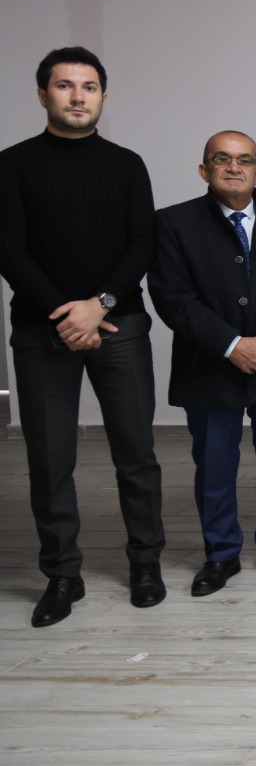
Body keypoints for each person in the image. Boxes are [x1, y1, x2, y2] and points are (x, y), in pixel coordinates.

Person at [0, 47, 166, 627]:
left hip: (121, 325)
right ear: (42, 94)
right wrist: (65, 317)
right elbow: (8, 249)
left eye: (89, 86)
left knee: (136, 454)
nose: (77, 96)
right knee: (49, 460)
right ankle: (62, 576)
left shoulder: (127, 164)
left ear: (102, 96)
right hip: (40, 331)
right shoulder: (12, 165)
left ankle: (145, 563)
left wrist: (98, 307)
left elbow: (143, 243)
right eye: (65, 85)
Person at [149, 131, 256, 596]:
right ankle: (220, 554)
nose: (234, 167)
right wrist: (230, 344)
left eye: (244, 160)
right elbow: (173, 298)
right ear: (204, 170)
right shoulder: (173, 223)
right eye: (222, 159)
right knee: (214, 467)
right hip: (209, 365)